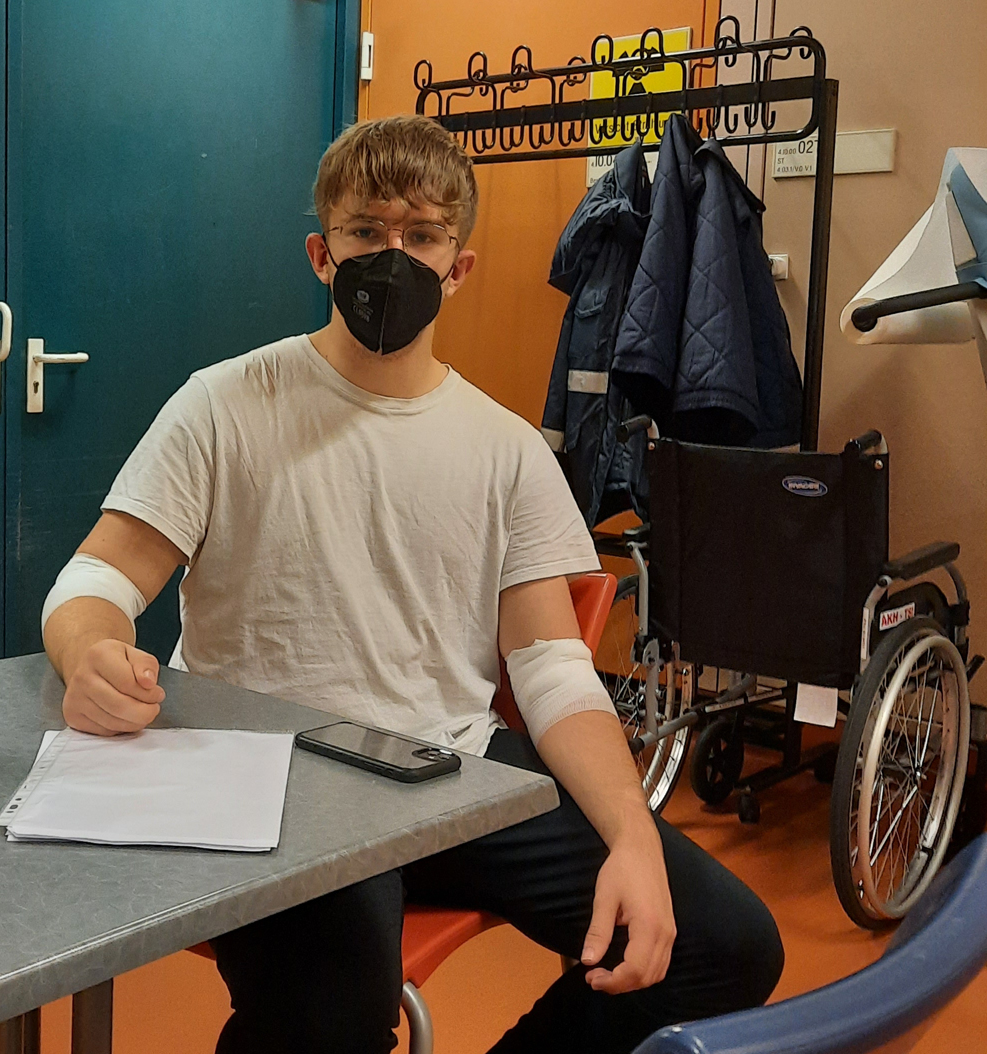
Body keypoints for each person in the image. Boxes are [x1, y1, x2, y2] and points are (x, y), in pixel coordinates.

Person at [40, 114, 783, 1054]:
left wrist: (633, 835)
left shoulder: (508, 451)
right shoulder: (225, 405)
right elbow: (96, 578)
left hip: (449, 772)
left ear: (456, 267)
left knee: (726, 947)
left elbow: (554, 672)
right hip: (274, 780)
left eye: (423, 235)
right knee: (333, 1020)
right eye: (366, 230)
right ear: (322, 255)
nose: (393, 256)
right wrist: (90, 654)